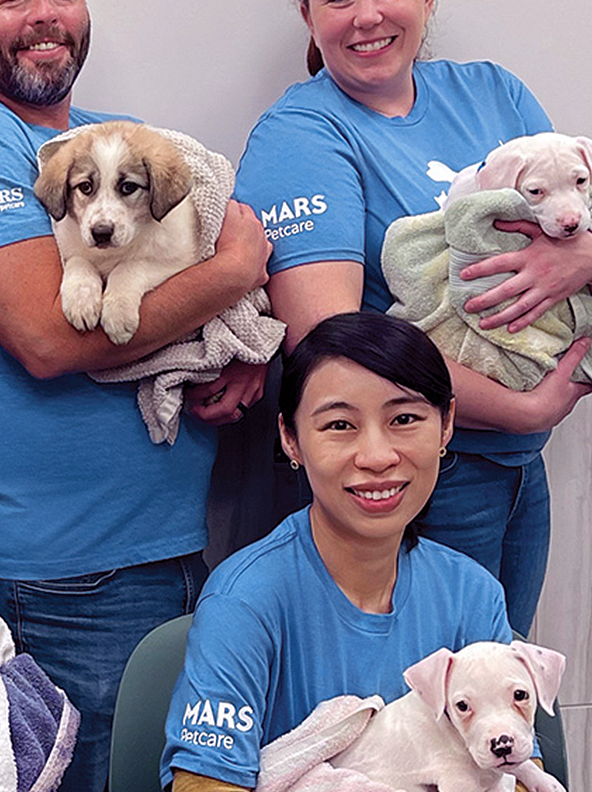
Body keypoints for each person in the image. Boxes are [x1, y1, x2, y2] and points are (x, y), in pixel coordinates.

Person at [0, 0, 272, 790]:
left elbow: (242, 230)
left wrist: (248, 341)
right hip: (63, 580)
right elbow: (46, 337)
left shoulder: (114, 141)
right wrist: (232, 274)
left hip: (165, 553)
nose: (44, 13)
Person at [233, 0, 592, 635]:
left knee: (495, 694)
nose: (366, 15)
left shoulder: (494, 92)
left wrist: (583, 255)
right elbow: (332, 342)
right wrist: (524, 409)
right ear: (309, 14)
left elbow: (575, 212)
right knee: (413, 712)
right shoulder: (303, 133)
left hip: (522, 473)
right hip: (407, 473)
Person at [161, 312, 515, 791]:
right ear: (291, 438)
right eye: (340, 425)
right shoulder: (246, 599)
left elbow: (511, 773)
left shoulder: (473, 595)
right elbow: (201, 783)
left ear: (446, 424)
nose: (376, 456)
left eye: (404, 419)